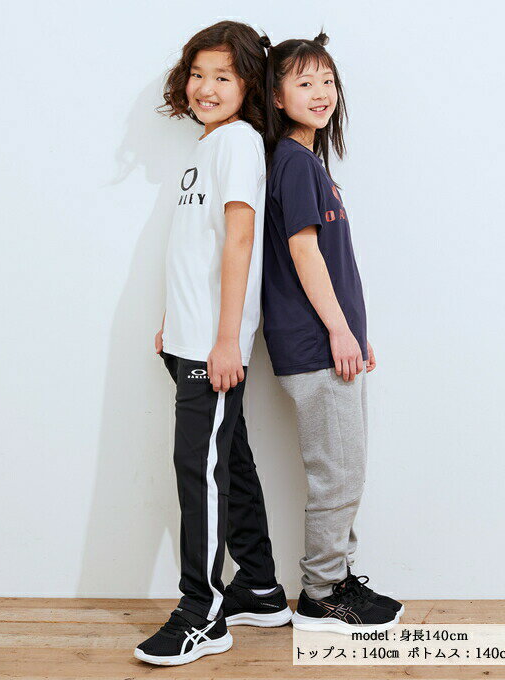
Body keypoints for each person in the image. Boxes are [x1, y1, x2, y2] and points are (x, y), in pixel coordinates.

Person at [133, 22, 291, 667]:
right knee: (231, 462)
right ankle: (260, 587)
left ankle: (202, 612)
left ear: (249, 84)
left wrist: (226, 339)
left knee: (197, 471)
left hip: (212, 345)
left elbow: (240, 240)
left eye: (222, 76)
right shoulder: (207, 145)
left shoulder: (240, 143)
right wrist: (173, 322)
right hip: (190, 338)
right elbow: (195, 247)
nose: (206, 87)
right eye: (198, 74)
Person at [261, 31, 404, 634]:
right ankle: (322, 594)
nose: (321, 92)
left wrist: (353, 332)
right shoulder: (294, 163)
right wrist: (340, 332)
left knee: (345, 468)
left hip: (330, 342)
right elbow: (304, 252)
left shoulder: (309, 161)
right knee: (338, 474)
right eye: (304, 82)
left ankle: (339, 579)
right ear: (276, 96)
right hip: (316, 344)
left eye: (327, 80)